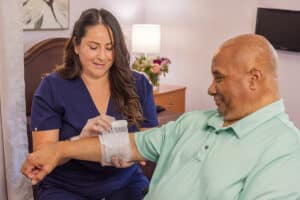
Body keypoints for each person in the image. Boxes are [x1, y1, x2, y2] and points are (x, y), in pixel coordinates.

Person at [22, 34, 300, 199]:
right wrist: (59, 150)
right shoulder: (195, 122)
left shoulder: (286, 152)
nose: (210, 88)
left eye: (219, 78)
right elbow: (127, 145)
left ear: (254, 79)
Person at [28, 8, 158, 200]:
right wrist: (80, 141)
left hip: (125, 182)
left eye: (109, 47)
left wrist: (134, 156)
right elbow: (43, 156)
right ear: (76, 45)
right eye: (94, 47)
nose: (102, 56)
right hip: (67, 188)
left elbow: (151, 142)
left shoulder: (138, 84)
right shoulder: (52, 88)